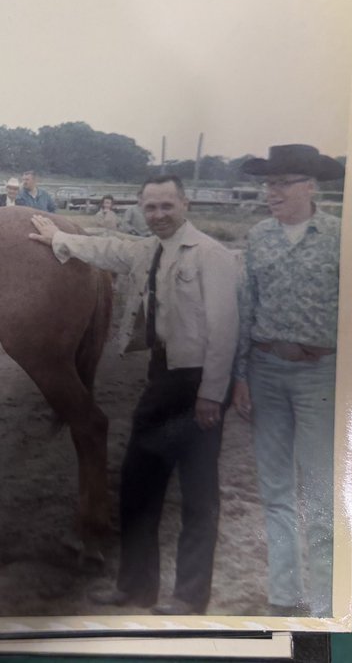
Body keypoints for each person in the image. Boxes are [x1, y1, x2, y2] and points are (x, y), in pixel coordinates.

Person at [29, 175, 239, 615]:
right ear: (141, 209)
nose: (159, 215)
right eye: (151, 207)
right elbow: (107, 248)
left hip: (199, 382)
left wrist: (211, 395)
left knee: (200, 496)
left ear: (185, 204)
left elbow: (224, 331)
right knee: (138, 487)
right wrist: (59, 238)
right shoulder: (149, 250)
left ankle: (188, 597)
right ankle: (136, 587)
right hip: (161, 379)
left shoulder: (211, 255)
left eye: (167, 206)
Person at [232, 144, 345, 618]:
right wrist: (241, 376)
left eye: (282, 183)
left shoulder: (341, 236)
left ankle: (323, 602)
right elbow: (246, 308)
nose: (271, 192)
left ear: (310, 185)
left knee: (320, 488)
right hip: (266, 371)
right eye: (267, 183)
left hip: (320, 373)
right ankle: (283, 597)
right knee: (275, 490)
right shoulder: (258, 236)